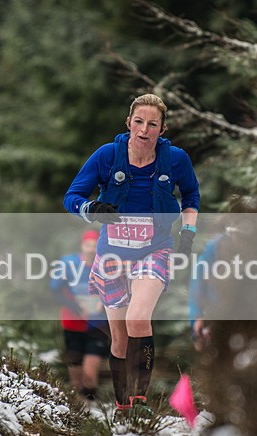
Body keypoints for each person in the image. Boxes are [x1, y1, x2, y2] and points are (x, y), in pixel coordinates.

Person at [64, 93, 200, 414]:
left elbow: (191, 194)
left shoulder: (176, 160)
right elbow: (72, 196)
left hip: (155, 251)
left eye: (152, 124)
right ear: (128, 124)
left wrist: (188, 232)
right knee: (119, 340)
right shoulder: (107, 156)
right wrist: (91, 208)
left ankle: (140, 401)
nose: (144, 130)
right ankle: (124, 406)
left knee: (138, 317)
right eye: (138, 122)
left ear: (162, 129)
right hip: (112, 256)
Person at [49, 229, 109, 403]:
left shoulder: (107, 266)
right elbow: (55, 291)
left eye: (95, 245)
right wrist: (76, 307)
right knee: (76, 379)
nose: (91, 249)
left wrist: (103, 304)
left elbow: (117, 291)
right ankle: (79, 417)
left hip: (97, 325)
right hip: (72, 324)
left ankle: (91, 410)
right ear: (82, 246)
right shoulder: (69, 263)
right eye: (88, 245)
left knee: (89, 375)